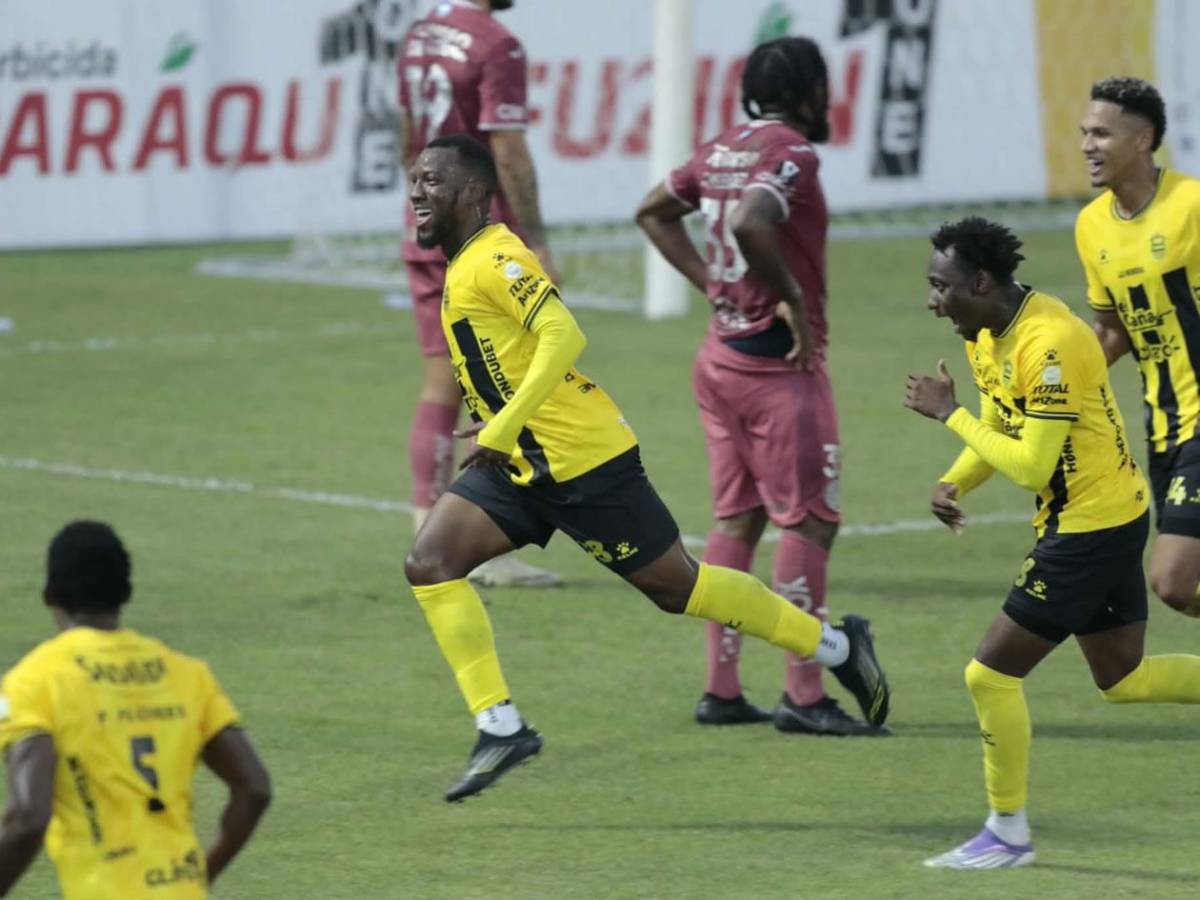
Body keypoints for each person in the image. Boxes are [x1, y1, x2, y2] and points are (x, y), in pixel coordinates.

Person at [403, 133, 891, 802]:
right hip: (515, 460)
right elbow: (511, 355)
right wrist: (500, 414)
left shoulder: (498, 256)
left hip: (582, 462)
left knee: (679, 590)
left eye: (430, 181)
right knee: (430, 562)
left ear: (468, 193)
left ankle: (837, 648)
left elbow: (564, 334)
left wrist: (508, 421)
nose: (415, 192)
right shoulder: (465, 262)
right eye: (414, 180)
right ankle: (501, 726)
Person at [905, 217, 1200, 870]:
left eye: (940, 285)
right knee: (1124, 679)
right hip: (1106, 515)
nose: (932, 300)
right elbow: (1005, 426)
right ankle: (1006, 834)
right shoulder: (986, 328)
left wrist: (946, 414)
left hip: (1087, 530)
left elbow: (1033, 467)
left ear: (980, 281)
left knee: (988, 674)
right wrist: (956, 480)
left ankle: (1006, 832)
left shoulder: (1052, 340)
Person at [635, 37, 877, 736]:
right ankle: (805, 693)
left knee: (737, 520)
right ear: (807, 93)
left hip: (719, 360)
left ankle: (722, 688)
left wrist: (713, 286)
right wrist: (795, 298)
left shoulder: (718, 149)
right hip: (778, 372)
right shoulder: (793, 153)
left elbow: (653, 211)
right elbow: (749, 220)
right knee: (809, 521)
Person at [0, 521, 271, 898]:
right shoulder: (187, 675)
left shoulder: (34, 682)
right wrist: (202, 875)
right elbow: (255, 788)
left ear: (48, 594)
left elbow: (28, 817)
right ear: (125, 592)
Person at [396, 0, 562, 588]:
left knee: (442, 382)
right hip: (477, 238)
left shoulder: (420, 34)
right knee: (500, 386)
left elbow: (404, 129)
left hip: (426, 229)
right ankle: (482, 549)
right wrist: (536, 240)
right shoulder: (496, 44)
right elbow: (508, 151)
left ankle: (432, 535)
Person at [1075, 75, 1200, 617]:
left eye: (1101, 134)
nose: (1086, 146)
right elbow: (1113, 332)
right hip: (1162, 425)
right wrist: (1053, 378)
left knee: (1172, 581)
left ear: (1143, 139)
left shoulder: (1191, 205)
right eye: (1084, 133)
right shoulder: (1091, 227)